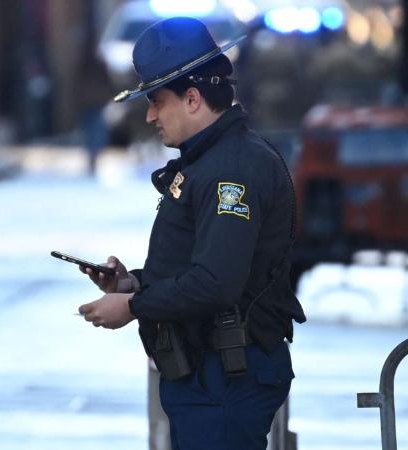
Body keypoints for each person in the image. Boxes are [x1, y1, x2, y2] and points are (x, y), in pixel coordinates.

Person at [76, 17, 305, 450]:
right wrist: (135, 282)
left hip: (225, 380)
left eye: (157, 101)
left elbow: (217, 282)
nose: (149, 115)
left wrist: (134, 305)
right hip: (209, 377)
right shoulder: (209, 161)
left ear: (194, 98)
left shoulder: (231, 170)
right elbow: (203, 262)